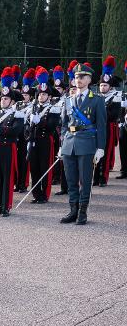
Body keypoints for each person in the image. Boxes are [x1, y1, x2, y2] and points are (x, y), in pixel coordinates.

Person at [59, 63, 107, 225]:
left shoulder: (97, 100)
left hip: (87, 143)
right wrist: (62, 143)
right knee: (71, 180)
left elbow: (101, 125)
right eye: (76, 77)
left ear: (89, 79)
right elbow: (65, 125)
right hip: (69, 144)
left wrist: (100, 147)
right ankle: (73, 210)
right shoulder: (68, 100)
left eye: (82, 77)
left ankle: (82, 212)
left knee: (85, 180)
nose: (78, 79)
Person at [0, 69, 25, 217]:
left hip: (8, 148)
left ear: (12, 101)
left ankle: (6, 206)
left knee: (7, 178)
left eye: (6, 99)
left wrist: (0, 129)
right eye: (2, 99)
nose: (3, 101)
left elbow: (16, 131)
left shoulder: (17, 114)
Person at [27, 66, 61, 204]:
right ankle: (36, 193)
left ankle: (44, 195)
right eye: (40, 94)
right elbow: (26, 127)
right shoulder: (32, 108)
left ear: (49, 96)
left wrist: (38, 121)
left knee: (44, 167)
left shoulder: (53, 108)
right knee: (34, 168)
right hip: (34, 140)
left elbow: (52, 125)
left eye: (44, 94)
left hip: (46, 140)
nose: (41, 96)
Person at [93, 55, 123, 187]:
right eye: (101, 85)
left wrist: (99, 113)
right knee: (95, 152)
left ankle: (103, 178)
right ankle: (95, 178)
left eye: (105, 85)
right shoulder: (96, 97)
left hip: (108, 127)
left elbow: (114, 114)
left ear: (110, 86)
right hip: (96, 127)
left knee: (105, 152)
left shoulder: (115, 97)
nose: (102, 87)